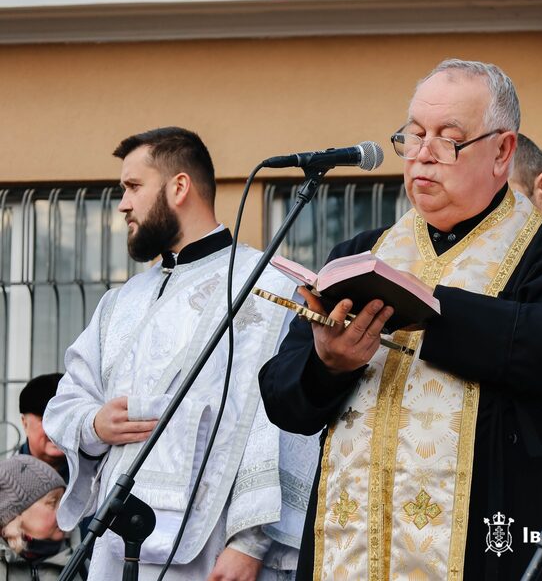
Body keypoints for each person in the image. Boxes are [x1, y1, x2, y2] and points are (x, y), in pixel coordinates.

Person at [258, 59, 542, 580]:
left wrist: (431, 308)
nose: (423, 154)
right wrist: (327, 364)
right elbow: (283, 400)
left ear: (502, 151)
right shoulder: (361, 254)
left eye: (449, 139)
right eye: (414, 134)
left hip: (493, 543)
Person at [44, 126, 317, 580]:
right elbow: (68, 398)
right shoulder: (122, 301)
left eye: (133, 187)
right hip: (117, 544)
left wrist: (251, 544)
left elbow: (290, 421)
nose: (123, 204)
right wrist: (94, 424)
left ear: (179, 186)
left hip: (217, 547)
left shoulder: (270, 288)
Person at [0, 454, 83, 579]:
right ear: (15, 515)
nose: (64, 511)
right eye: (52, 502)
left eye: (63, 501)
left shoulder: (83, 565)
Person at [18, 373, 67, 475]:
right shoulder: (5, 478)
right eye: (46, 419)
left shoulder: (98, 474)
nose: (57, 428)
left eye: (67, 418)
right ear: (25, 423)